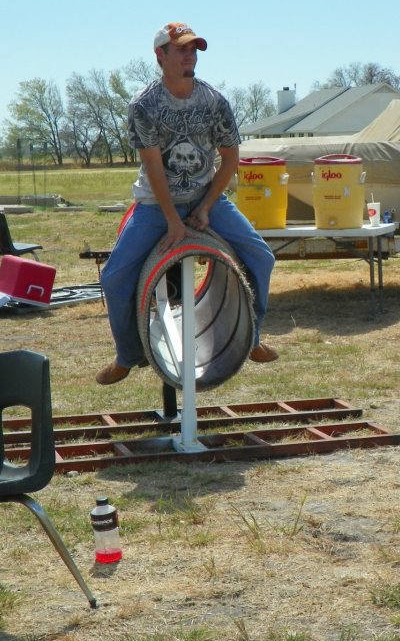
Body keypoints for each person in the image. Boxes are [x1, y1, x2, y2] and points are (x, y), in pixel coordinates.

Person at [97, 22, 278, 385]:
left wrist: (207, 205)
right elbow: (153, 168)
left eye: (193, 50)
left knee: (261, 256)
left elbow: (229, 159)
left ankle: (252, 338)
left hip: (205, 195)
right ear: (160, 55)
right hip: (155, 204)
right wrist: (173, 221)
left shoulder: (214, 101)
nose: (189, 56)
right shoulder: (144, 106)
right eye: (181, 50)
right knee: (115, 277)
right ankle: (128, 355)